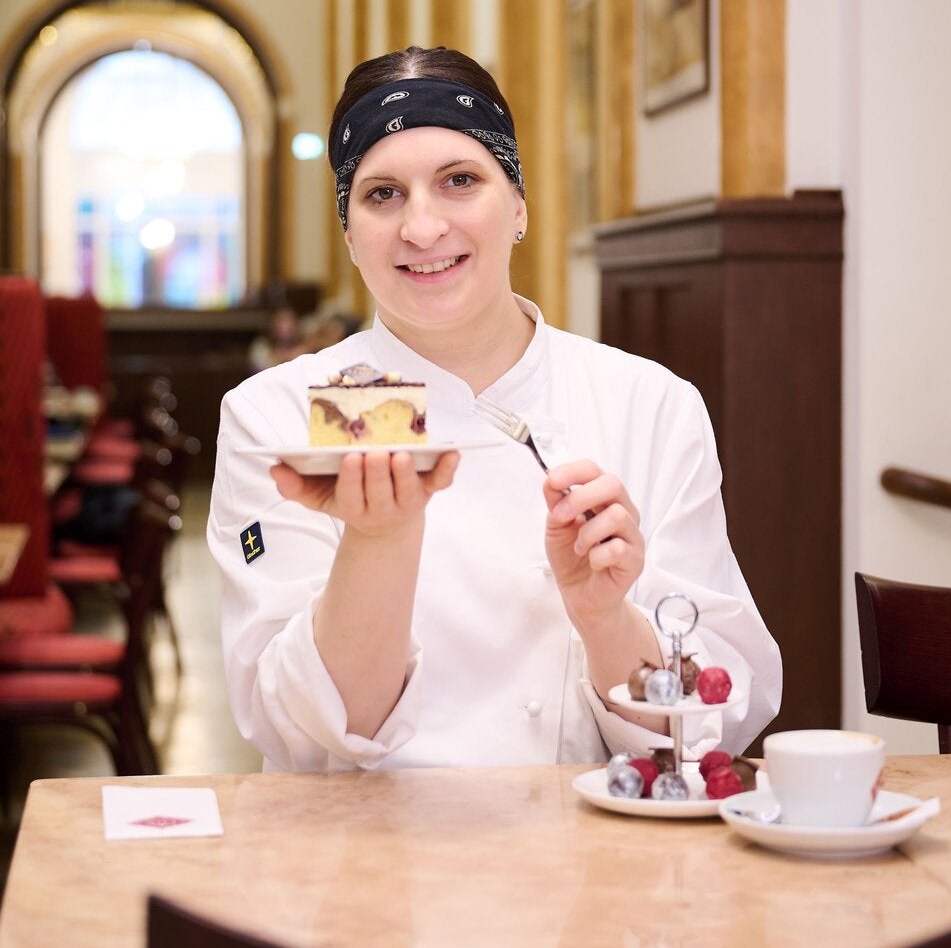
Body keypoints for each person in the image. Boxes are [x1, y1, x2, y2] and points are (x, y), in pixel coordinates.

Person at [208, 46, 782, 773]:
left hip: (587, 834)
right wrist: (379, 540)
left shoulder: (649, 403)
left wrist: (606, 617)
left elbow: (711, 727)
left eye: (460, 181)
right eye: (383, 194)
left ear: (518, 206)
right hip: (364, 838)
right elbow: (301, 731)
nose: (422, 228)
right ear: (349, 234)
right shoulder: (278, 413)